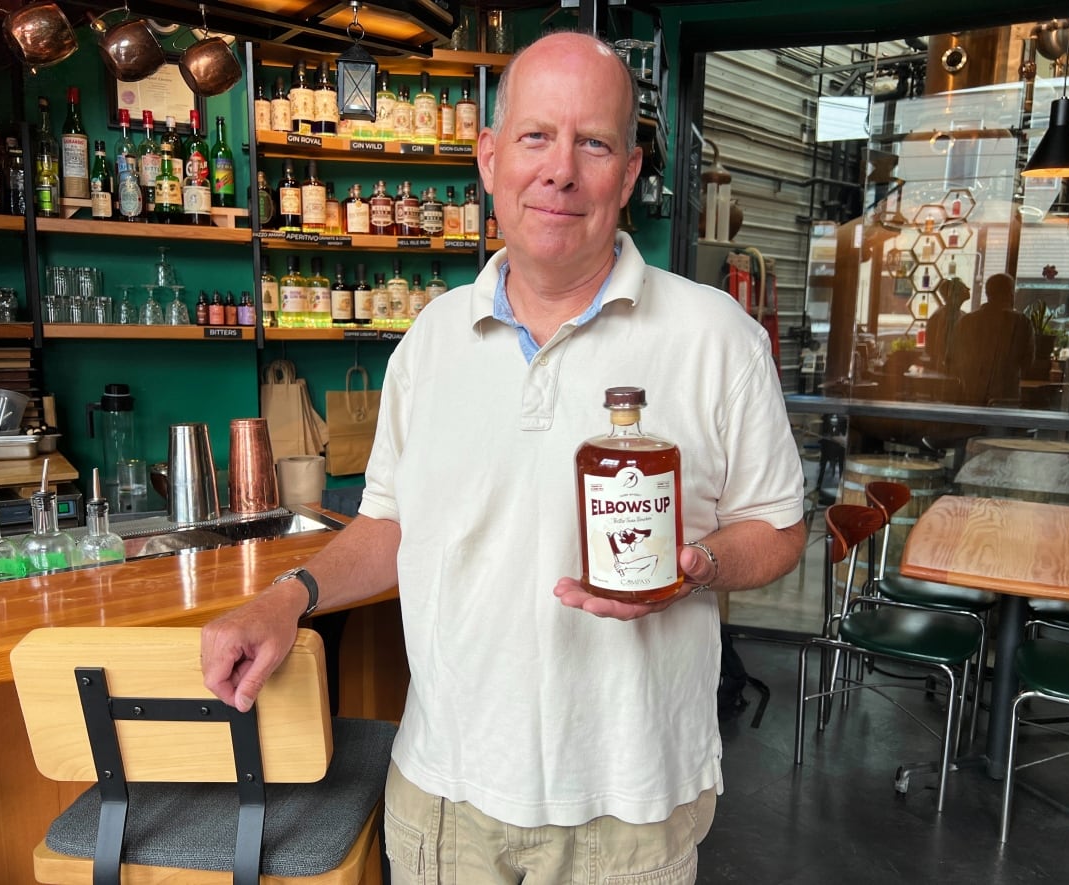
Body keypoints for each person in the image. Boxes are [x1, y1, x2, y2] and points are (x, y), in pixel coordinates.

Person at [201, 32, 806, 884]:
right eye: (535, 137)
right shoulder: (430, 340)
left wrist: (697, 564)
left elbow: (778, 529)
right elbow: (388, 526)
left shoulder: (718, 339)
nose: (560, 171)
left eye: (593, 143)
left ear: (629, 174)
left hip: (628, 808)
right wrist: (286, 597)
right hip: (445, 798)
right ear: (489, 158)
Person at [949, 272, 1034, 406]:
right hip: (1006, 399)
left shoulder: (967, 321)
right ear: (1010, 293)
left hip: (970, 396)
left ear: (988, 293)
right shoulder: (1021, 322)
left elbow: (952, 358)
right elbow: (1027, 363)